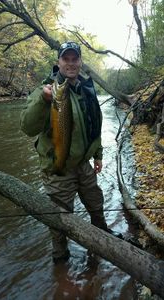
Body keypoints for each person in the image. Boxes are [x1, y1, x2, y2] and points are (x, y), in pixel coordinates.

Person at [20, 41, 122, 263]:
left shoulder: (86, 87)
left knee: (96, 205)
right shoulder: (45, 90)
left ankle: (103, 244)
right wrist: (43, 101)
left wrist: (99, 154)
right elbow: (27, 128)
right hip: (57, 170)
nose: (71, 63)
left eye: (74, 58)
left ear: (80, 61)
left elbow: (95, 123)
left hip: (83, 166)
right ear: (58, 62)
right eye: (66, 58)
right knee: (60, 221)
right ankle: (61, 261)